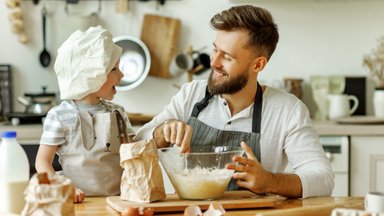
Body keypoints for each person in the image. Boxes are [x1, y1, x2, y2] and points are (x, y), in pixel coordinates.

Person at [135, 5, 334, 198]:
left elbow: (323, 178)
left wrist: (271, 181)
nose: (214, 62)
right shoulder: (191, 94)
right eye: (215, 50)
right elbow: (136, 144)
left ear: (258, 64)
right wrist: (162, 131)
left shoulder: (287, 110)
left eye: (227, 57)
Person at [35, 26, 135, 203]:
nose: (121, 74)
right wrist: (62, 188)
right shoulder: (59, 116)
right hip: (75, 204)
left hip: (119, 201)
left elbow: (133, 156)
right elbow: (42, 162)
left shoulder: (118, 113)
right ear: (91, 75)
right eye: (114, 69)